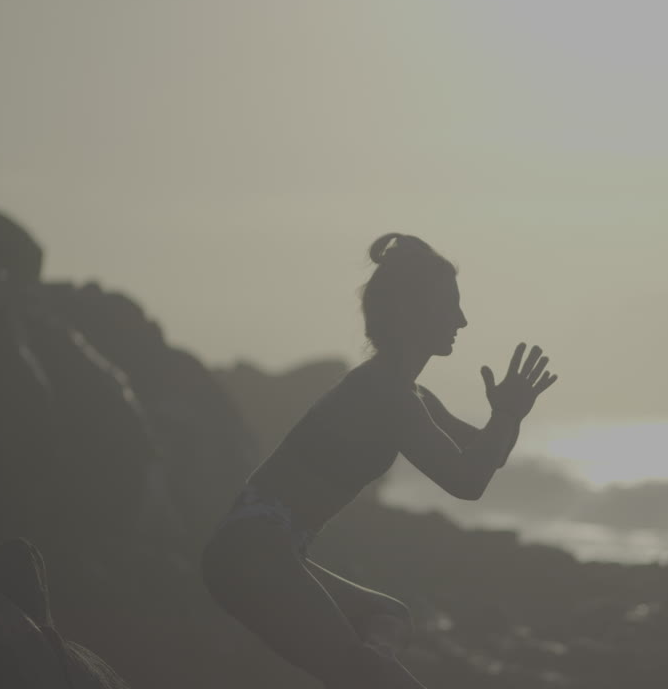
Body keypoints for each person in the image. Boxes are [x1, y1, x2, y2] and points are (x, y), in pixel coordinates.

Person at [201, 232, 559, 688]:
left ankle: (372, 663)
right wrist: (505, 417)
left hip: (266, 549)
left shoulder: (408, 393)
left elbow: (488, 456)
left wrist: (508, 416)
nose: (463, 320)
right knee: (368, 674)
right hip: (253, 552)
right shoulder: (387, 394)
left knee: (389, 617)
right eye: (451, 305)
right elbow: (468, 481)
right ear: (413, 312)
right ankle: (370, 668)